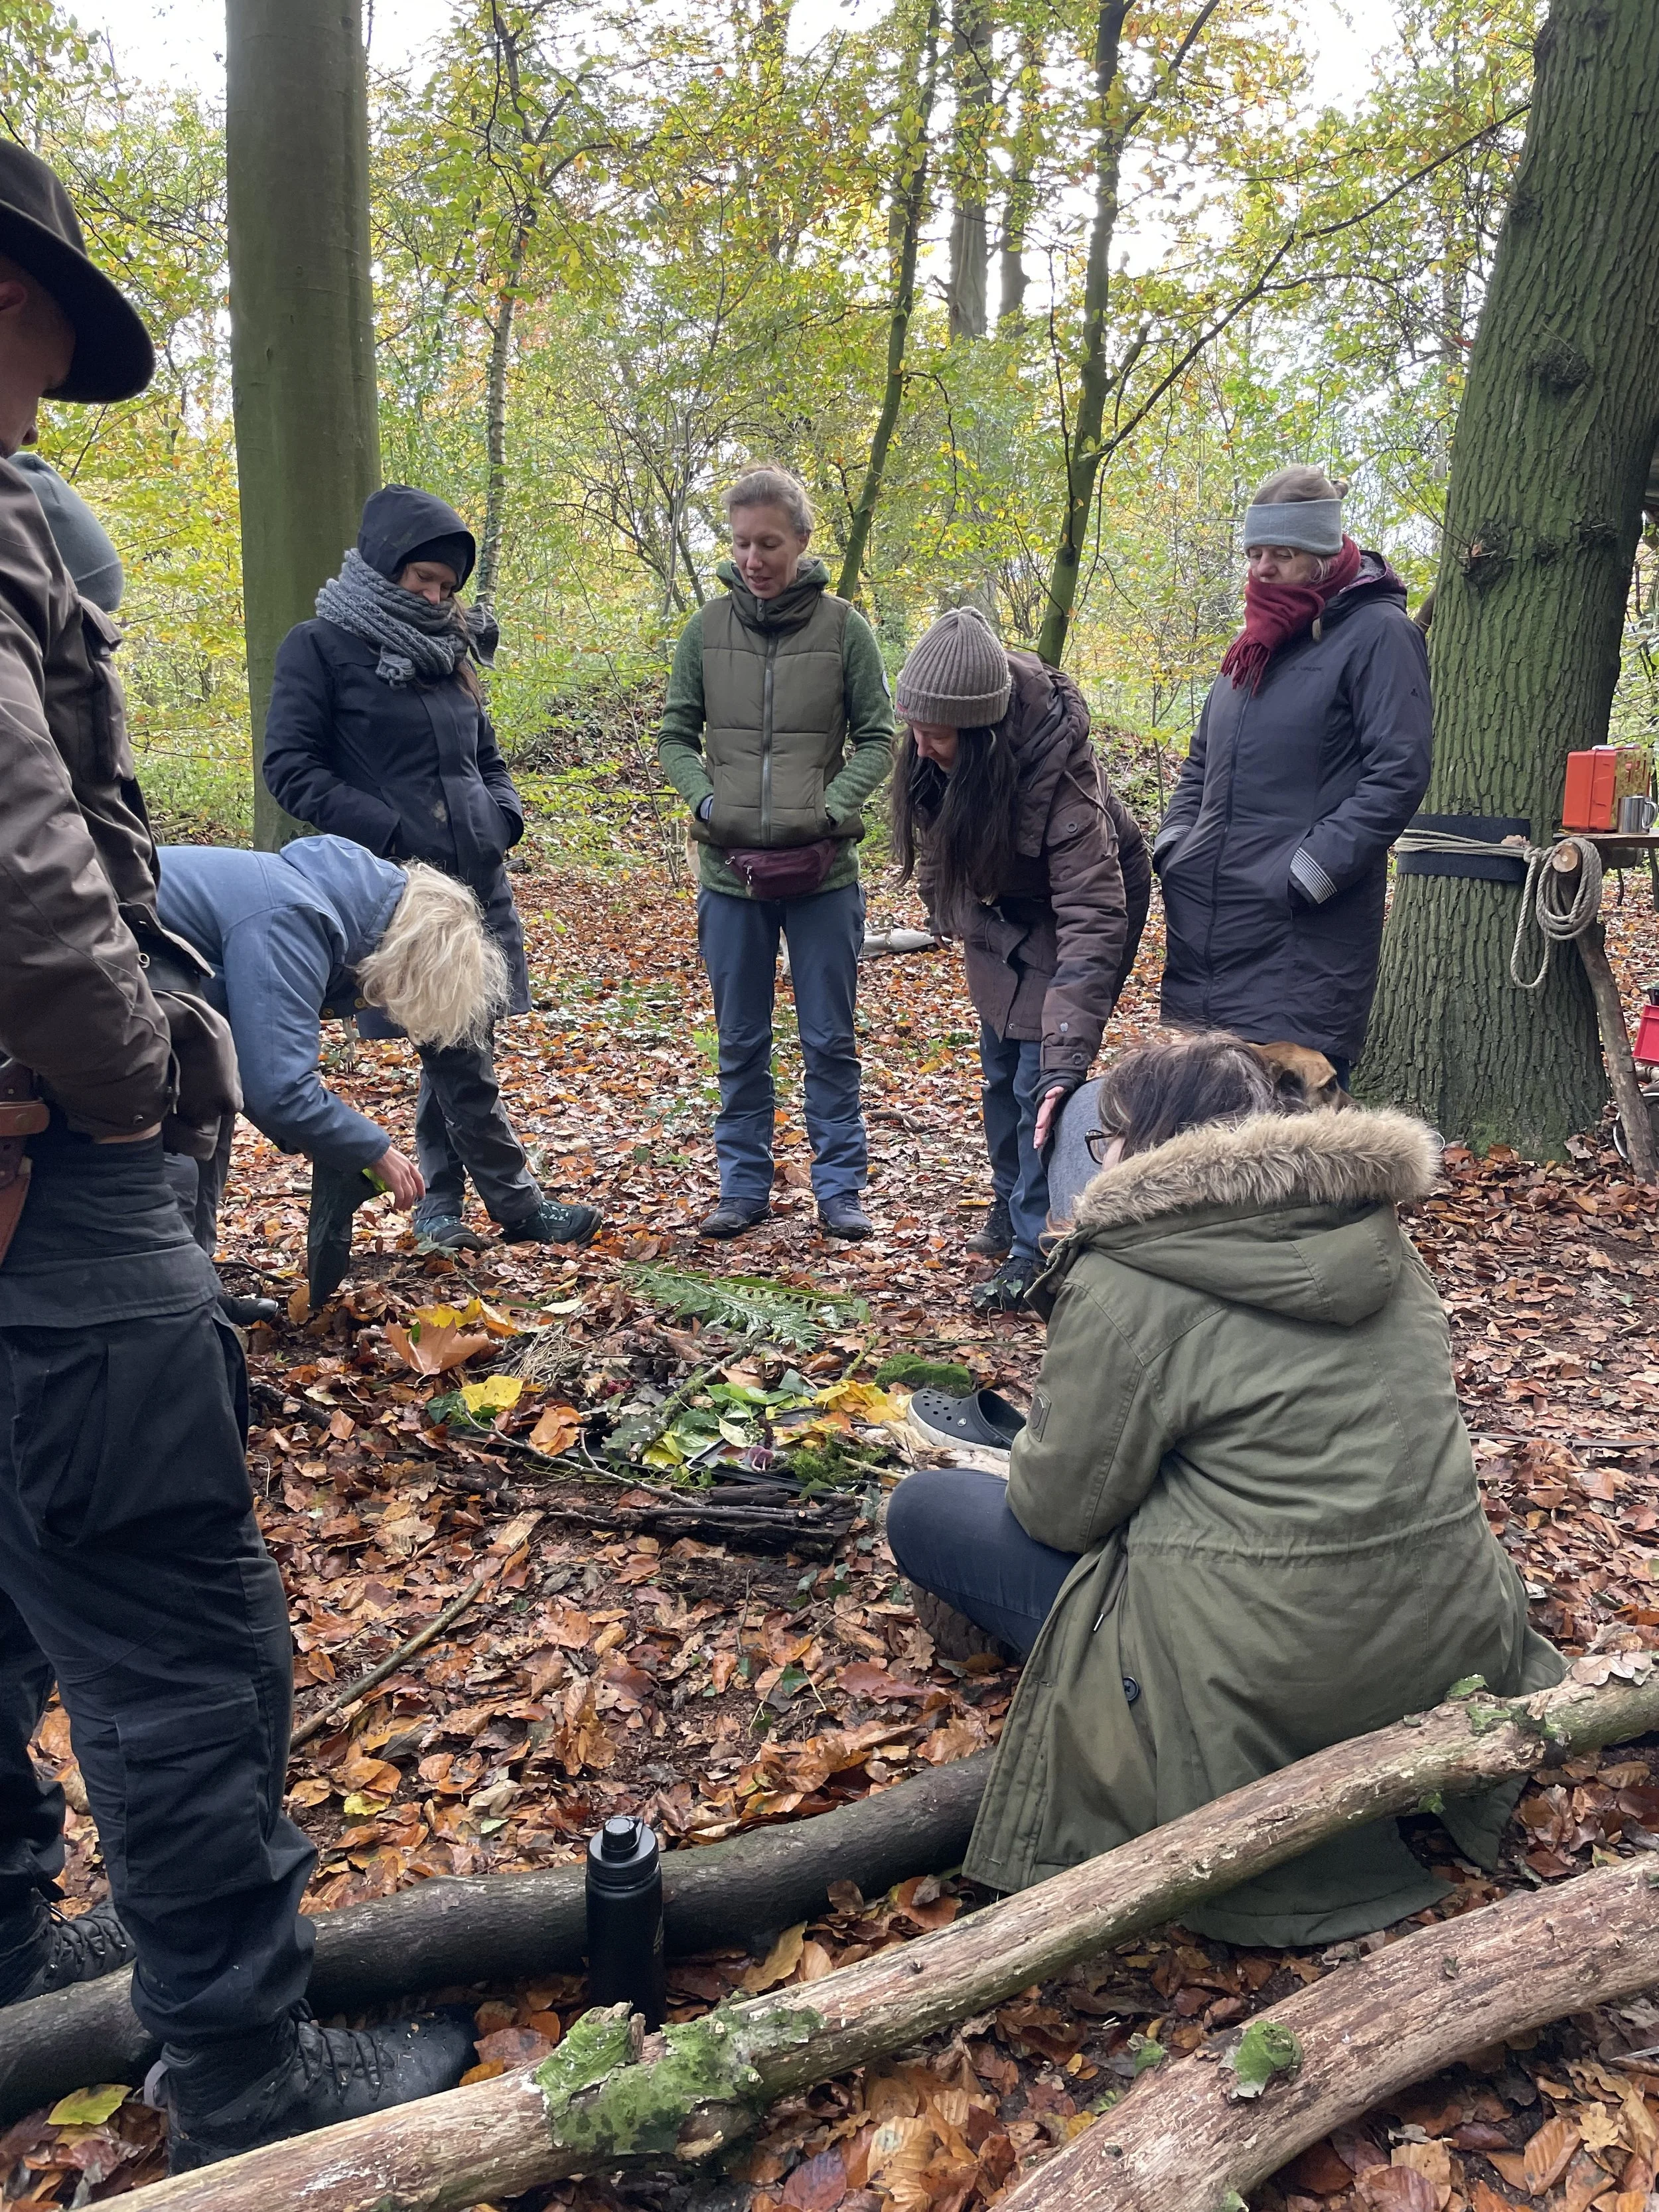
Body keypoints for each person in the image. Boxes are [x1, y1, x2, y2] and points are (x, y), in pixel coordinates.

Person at [0, 141, 472, 2170]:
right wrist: (130, 1078)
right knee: (181, 1630)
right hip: (51, 1168)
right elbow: (45, 886)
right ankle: (246, 2075)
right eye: (40, 334)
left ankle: (17, 1944)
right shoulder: (281, 907)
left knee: (14, 1594)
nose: (40, 388)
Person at [887, 1034, 1562, 1945]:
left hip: (1267, 1675)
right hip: (1448, 1637)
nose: (1104, 1155)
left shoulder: (1129, 1271)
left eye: (1108, 1137)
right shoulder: (1375, 1236)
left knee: (925, 1510)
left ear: (1152, 1144)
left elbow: (1059, 1509)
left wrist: (1023, 1450)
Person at [262, 484, 598, 1251]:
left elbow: (486, 755)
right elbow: (289, 769)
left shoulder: (450, 654)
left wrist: (503, 816)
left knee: (458, 1045)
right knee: (458, 1055)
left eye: (447, 586)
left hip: (479, 879)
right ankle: (518, 1209)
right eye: (423, 579)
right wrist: (387, 830)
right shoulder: (318, 647)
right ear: (385, 568)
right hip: (402, 892)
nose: (436, 595)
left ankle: (439, 1208)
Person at [657, 465, 895, 1241]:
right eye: (740, 543)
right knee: (741, 1040)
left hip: (826, 874)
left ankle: (840, 1190)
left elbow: (878, 738)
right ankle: (743, 1186)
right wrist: (708, 803)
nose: (754, 558)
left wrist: (828, 809)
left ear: (800, 541)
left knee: (830, 1037)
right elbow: (673, 736)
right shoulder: (704, 630)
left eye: (768, 542)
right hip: (729, 876)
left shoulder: (845, 629)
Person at [889, 609, 1149, 1312]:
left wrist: (1069, 1057)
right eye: (913, 729)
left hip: (1081, 917)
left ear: (982, 735)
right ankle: (1008, 1205)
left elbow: (1093, 920)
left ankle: (1036, 1254)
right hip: (1004, 909)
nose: (921, 746)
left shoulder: (1064, 789)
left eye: (936, 735)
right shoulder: (932, 759)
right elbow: (942, 853)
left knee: (1043, 1085)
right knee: (1000, 1073)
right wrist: (960, 917)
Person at [1153, 467, 1432, 1084]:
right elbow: (1201, 760)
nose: (1262, 568)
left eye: (1282, 554)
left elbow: (1399, 772)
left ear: (1322, 554)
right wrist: (1176, 846)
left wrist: (1309, 871)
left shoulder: (1380, 634)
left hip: (1302, 944)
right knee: (1202, 1145)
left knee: (1291, 1152)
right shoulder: (1252, 643)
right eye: (1254, 552)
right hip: (1208, 931)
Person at [156, 837, 508, 1299]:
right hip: (84, 982)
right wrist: (372, 1149)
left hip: (141, 1000)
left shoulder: (309, 902)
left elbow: (249, 1064)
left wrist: (330, 1142)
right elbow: (278, 1087)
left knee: (205, 1106)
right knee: (169, 1162)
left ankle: (196, 1297)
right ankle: (167, 1315)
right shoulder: (292, 916)